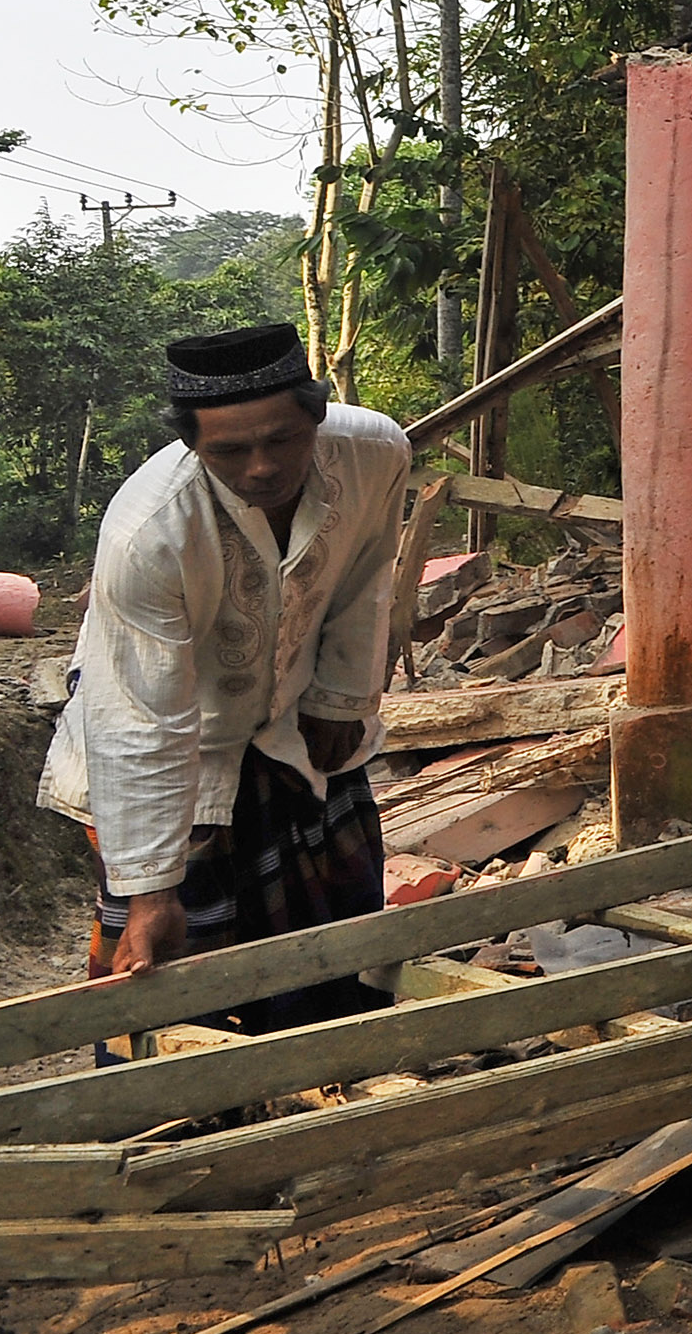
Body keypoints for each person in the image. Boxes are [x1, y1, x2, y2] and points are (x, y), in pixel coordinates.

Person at [40, 323, 415, 1025]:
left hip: (290, 725)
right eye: (231, 451)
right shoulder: (149, 529)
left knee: (338, 935)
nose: (263, 467)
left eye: (282, 439)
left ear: (316, 413)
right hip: (173, 752)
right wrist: (150, 890)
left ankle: (327, 1082)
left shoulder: (374, 451)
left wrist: (342, 697)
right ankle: (180, 1121)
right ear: (191, 444)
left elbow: (368, 574)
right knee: (175, 972)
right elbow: (138, 715)